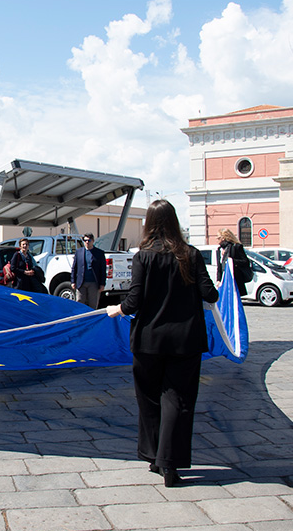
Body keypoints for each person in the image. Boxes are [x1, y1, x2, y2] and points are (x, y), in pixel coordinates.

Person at [107, 199, 218, 487]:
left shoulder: (143, 257)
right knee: (178, 400)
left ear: (149, 223)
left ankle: (154, 456)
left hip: (149, 340)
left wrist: (116, 309)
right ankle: (169, 463)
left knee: (149, 400)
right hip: (186, 341)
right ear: (174, 222)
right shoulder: (191, 255)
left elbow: (134, 301)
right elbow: (211, 294)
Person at [71, 233, 107, 308]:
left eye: (89, 240)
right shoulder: (79, 252)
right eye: (85, 240)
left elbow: (103, 269)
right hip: (81, 283)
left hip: (94, 283)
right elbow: (74, 268)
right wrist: (73, 281)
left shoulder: (99, 253)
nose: (87, 242)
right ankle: (80, 316)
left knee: (93, 304)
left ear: (93, 241)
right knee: (79, 303)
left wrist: (102, 284)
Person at [216, 228, 251, 295]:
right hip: (224, 279)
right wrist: (218, 279)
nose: (217, 239)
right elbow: (219, 266)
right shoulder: (219, 249)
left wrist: (231, 261)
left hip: (235, 279)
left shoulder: (236, 247)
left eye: (218, 238)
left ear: (223, 238)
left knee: (235, 299)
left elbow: (245, 261)